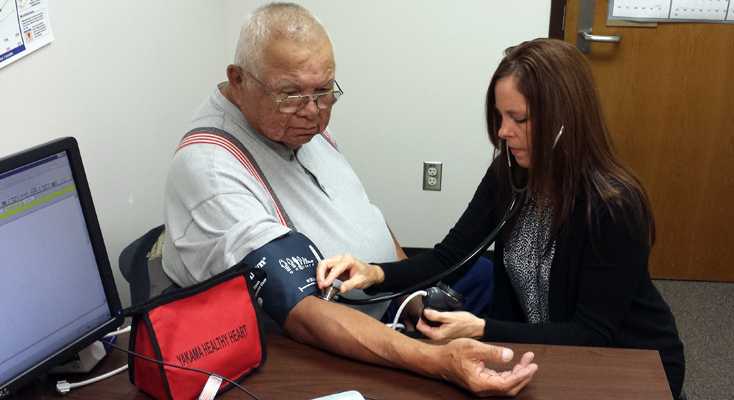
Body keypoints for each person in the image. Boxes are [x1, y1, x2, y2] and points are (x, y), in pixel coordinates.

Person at [160, 3, 537, 397]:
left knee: (493, 280)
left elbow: (363, 212)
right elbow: (302, 313)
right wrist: (436, 361)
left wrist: (413, 300)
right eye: (291, 95)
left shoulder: (295, 126)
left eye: (324, 92)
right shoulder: (210, 166)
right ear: (238, 80)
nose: (313, 113)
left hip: (386, 303)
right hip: (323, 348)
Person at [317, 38, 686, 398]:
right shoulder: (509, 176)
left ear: (565, 120)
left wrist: (481, 329)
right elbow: (449, 257)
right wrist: (375, 274)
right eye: (500, 116)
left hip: (630, 362)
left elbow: (591, 332)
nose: (502, 132)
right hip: (543, 350)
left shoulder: (612, 206)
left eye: (518, 118)